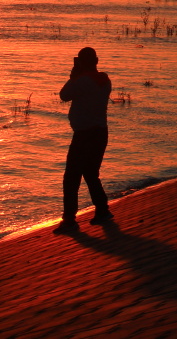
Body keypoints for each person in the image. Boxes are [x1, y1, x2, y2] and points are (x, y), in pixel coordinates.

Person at [55, 46, 113, 232]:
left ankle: (70, 220)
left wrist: (73, 76)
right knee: (90, 173)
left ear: (81, 63)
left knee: (71, 177)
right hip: (100, 132)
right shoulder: (105, 79)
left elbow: (64, 95)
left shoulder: (82, 81)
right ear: (96, 61)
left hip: (85, 134)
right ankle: (102, 210)